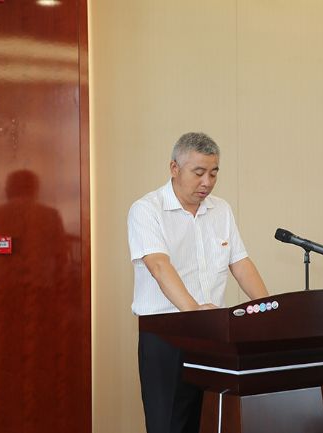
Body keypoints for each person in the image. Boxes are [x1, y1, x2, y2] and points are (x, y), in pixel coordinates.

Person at [128, 132, 269, 433]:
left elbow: (240, 263)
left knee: (209, 421)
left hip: (212, 334)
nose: (207, 182)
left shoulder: (221, 209)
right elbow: (159, 266)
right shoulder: (147, 209)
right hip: (165, 334)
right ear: (174, 168)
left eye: (214, 173)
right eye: (199, 172)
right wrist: (194, 314)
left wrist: (268, 309)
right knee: (168, 424)